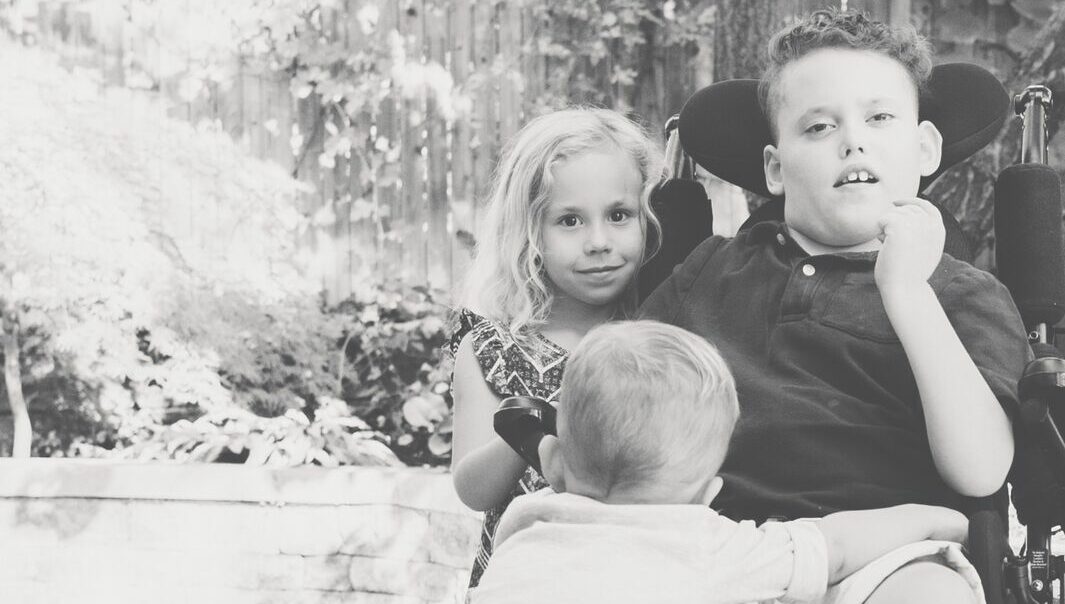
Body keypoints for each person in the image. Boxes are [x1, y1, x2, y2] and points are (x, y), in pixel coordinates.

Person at [639, 9, 1029, 602]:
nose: (853, 139)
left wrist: (907, 291)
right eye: (819, 127)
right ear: (775, 168)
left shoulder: (962, 293)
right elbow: (629, 394)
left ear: (925, 148)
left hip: (888, 556)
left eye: (879, 117)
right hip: (720, 545)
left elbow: (980, 471)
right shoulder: (710, 271)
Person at [472, 321, 982, 604]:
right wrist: (932, 519)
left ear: (551, 460)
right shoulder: (708, 545)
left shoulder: (525, 525)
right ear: (708, 497)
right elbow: (837, 547)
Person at [448, 107, 664, 589]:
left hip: (638, 578)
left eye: (619, 215)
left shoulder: (659, 333)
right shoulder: (492, 347)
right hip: (528, 583)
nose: (599, 241)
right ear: (529, 231)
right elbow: (472, 490)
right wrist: (531, 424)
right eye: (569, 220)